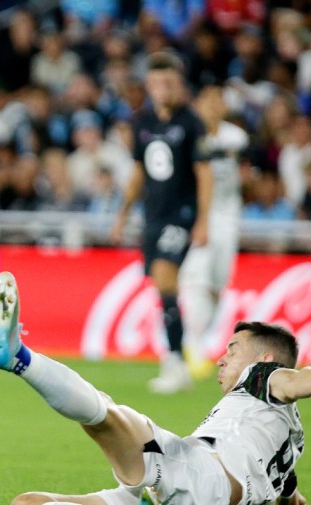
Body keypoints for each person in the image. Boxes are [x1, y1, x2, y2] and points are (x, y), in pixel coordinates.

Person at [0, 271, 311, 505]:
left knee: (112, 416)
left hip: (200, 477)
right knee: (30, 503)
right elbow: (292, 496)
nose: (222, 359)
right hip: (185, 489)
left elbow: (293, 379)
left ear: (263, 361)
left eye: (233, 349)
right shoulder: (289, 441)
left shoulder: (262, 379)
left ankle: (18, 357)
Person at [110, 51, 213, 394]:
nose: (163, 88)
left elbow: (204, 173)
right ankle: (176, 360)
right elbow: (139, 171)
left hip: (180, 214)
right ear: (150, 85)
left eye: (169, 81)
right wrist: (123, 213)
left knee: (167, 277)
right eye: (157, 82)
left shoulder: (190, 123)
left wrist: (202, 220)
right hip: (152, 215)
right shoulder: (142, 122)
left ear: (179, 84)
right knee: (161, 286)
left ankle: (175, 362)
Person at [179, 85, 248, 380]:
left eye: (217, 100)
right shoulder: (189, 133)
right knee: (197, 276)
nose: (212, 105)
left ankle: (200, 339)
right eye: (206, 99)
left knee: (217, 284)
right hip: (198, 213)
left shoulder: (236, 136)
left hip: (228, 217)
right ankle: (192, 344)